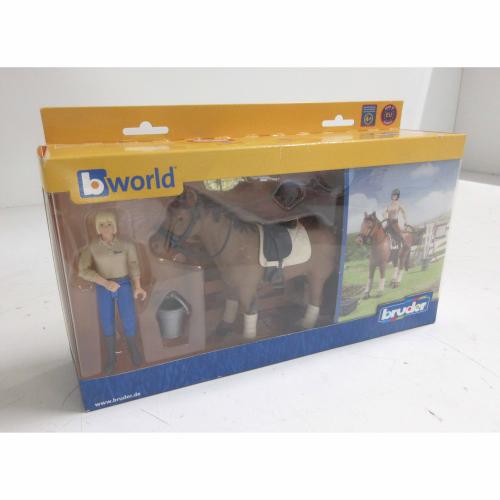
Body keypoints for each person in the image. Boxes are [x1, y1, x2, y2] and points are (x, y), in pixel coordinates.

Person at [78, 211, 147, 375]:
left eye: (109, 224)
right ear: (97, 228)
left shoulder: (126, 245)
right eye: (101, 225)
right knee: (106, 321)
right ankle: (110, 358)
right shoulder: (92, 247)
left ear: (115, 226)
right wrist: (104, 282)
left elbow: (134, 265)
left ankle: (134, 350)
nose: (106, 228)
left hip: (124, 284)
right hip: (103, 286)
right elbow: (83, 270)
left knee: (128, 318)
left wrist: (138, 286)